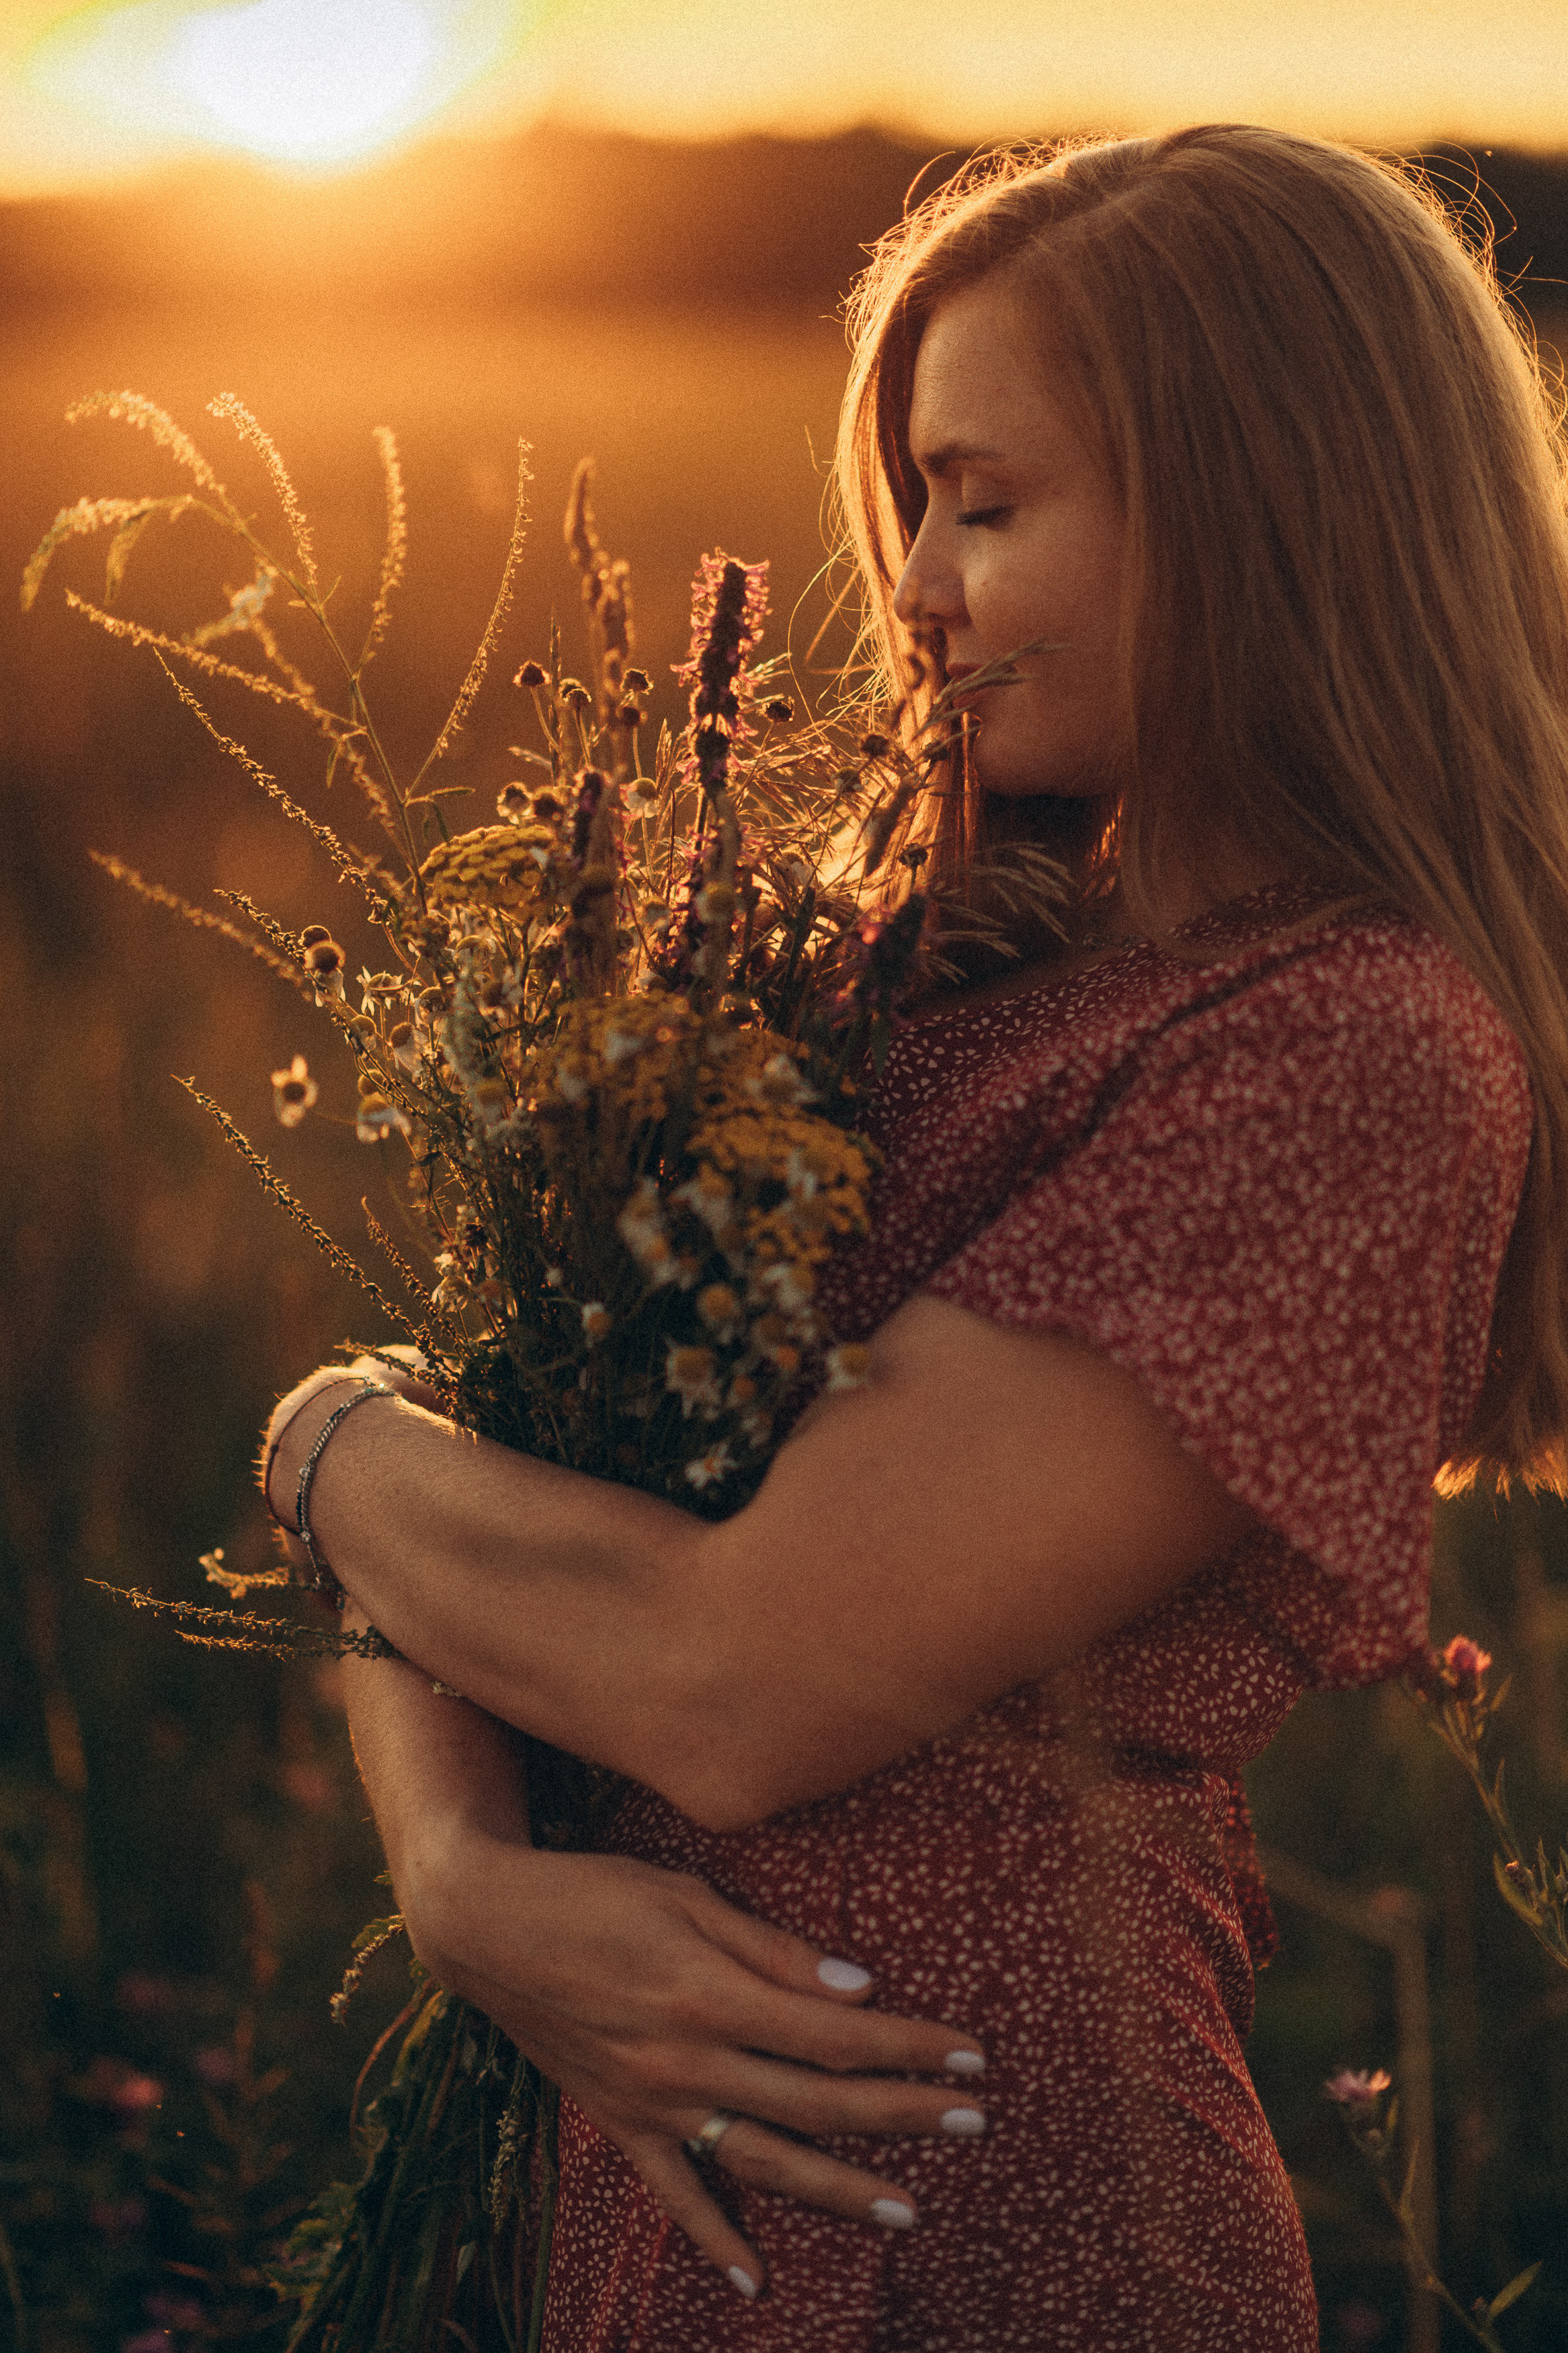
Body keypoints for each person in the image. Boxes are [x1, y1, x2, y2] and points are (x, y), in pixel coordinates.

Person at [261, 125, 1568, 2350]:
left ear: (1255, 513)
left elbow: (724, 1675)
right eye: (917, 508)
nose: (918, 589)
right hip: (670, 2161)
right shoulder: (921, 962)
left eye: (986, 502)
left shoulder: (1353, 1050)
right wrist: (465, 1879)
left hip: (991, 2200)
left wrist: (310, 1448)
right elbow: (514, 1479)